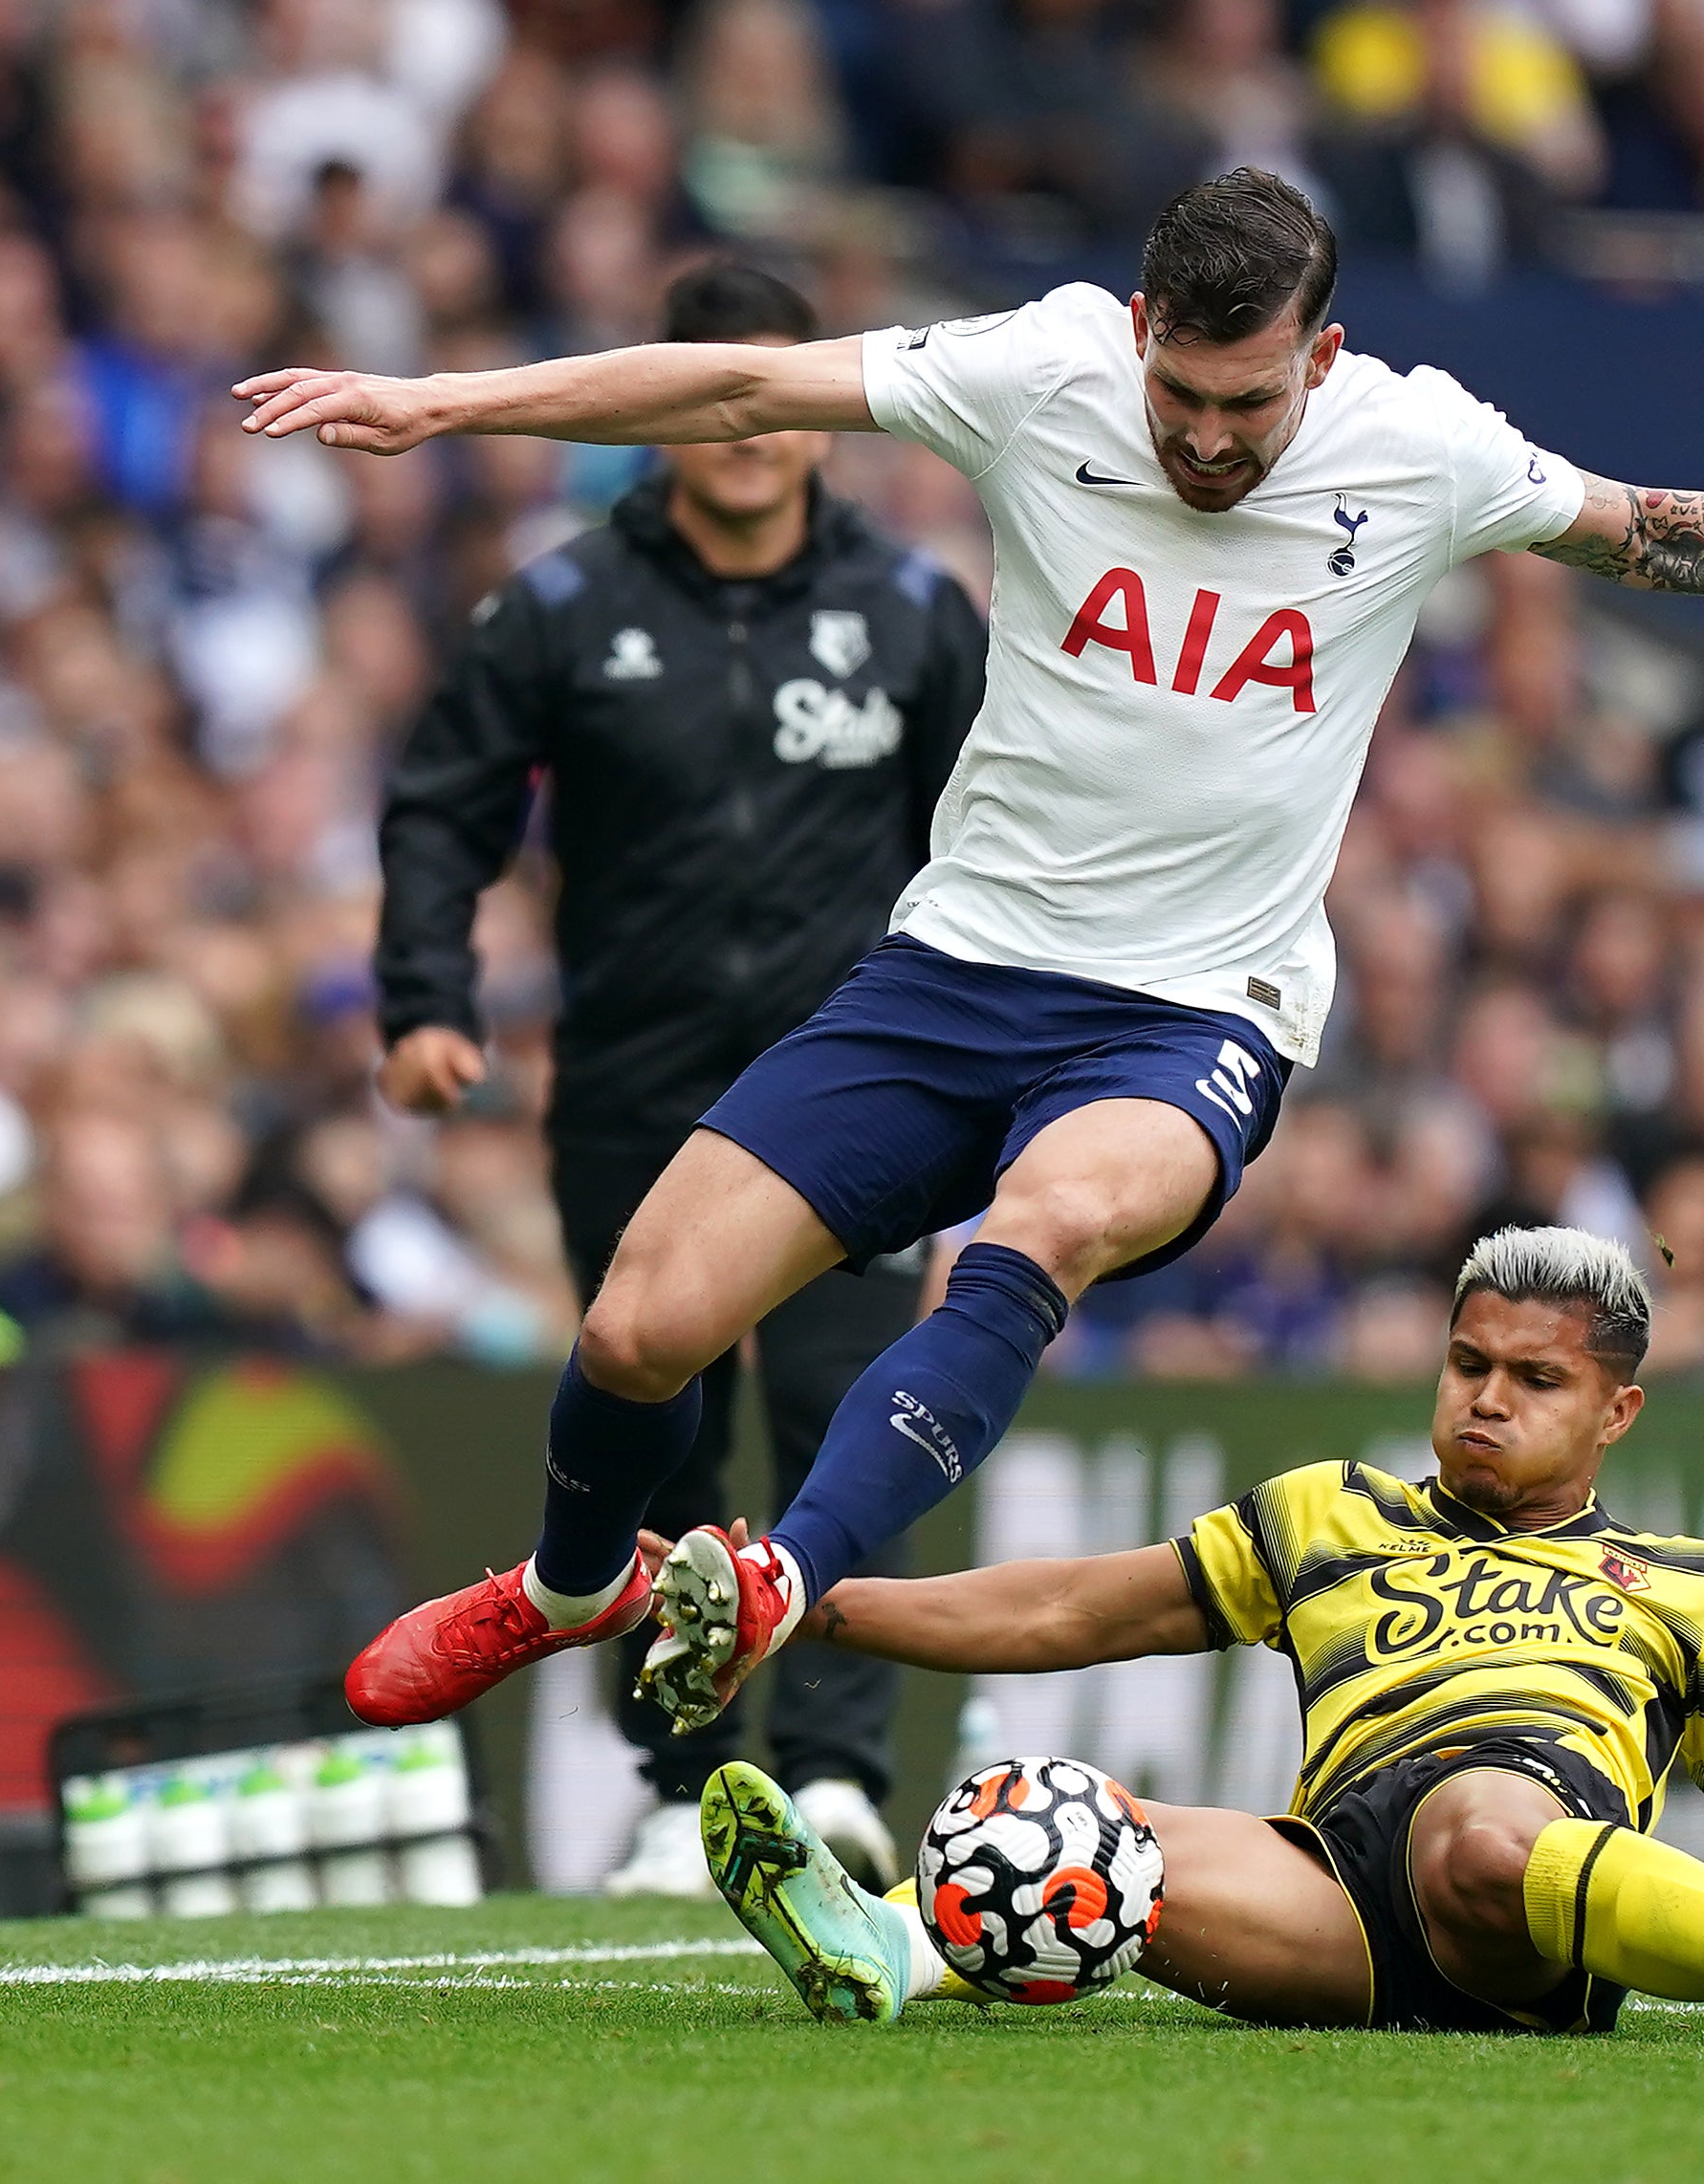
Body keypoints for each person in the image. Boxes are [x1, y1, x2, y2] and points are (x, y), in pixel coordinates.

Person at [237, 167, 1704, 1754]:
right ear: (1134, 336)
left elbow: (1645, 524)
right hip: (957, 965)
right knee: (639, 1327)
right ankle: (570, 1590)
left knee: (1042, 1225)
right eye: (1178, 393)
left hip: (1195, 1008)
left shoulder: (1417, 447)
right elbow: (737, 380)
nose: (1201, 437)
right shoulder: (1043, 373)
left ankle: (784, 1576)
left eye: (1243, 403)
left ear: (1321, 360)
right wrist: (443, 402)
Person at [690, 1227, 1704, 2048]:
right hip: (1343, 1900)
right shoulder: (1328, 1513)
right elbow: (1075, 1605)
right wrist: (805, 1600)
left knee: (1476, 1825)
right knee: (1050, 1825)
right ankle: (888, 1944)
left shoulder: (1690, 1584)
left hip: (1520, 1899)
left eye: (1533, 1378)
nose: (1485, 1400)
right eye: (1466, 1364)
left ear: (1616, 1413)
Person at [370, 262, 988, 1891]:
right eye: (707, 392)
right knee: (662, 1431)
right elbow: (444, 802)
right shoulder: (566, 608)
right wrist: (425, 999)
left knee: (844, 1419)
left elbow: (997, 836)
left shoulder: (919, 614)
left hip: (869, 1088)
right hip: (637, 1090)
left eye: (769, 390)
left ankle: (845, 1772)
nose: (741, 430)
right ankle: (684, 1786)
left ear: (814, 412)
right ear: (660, 413)